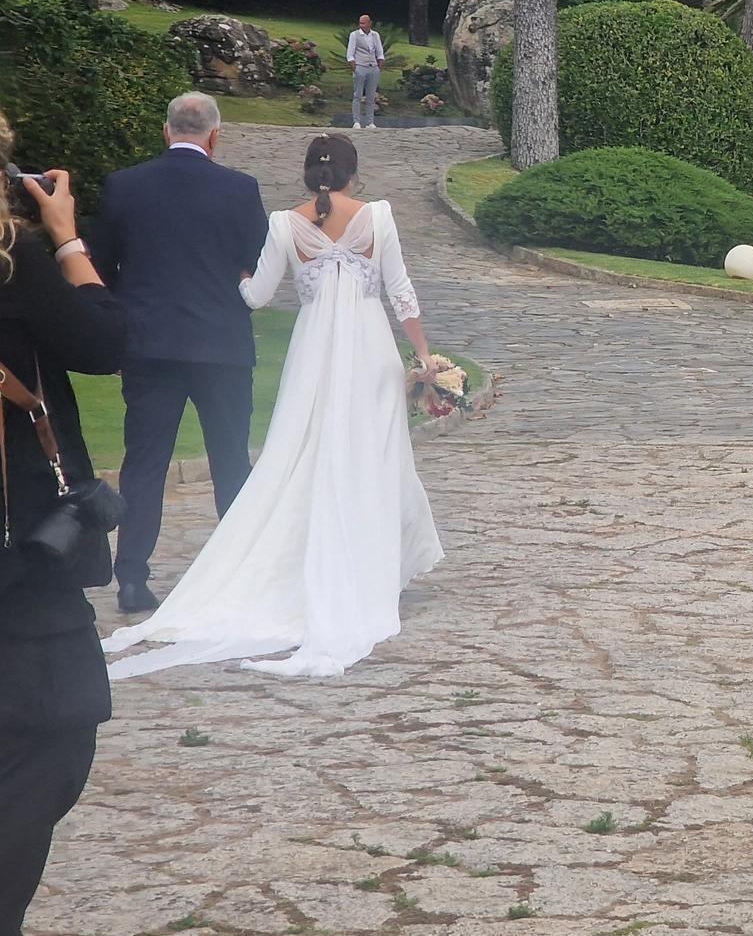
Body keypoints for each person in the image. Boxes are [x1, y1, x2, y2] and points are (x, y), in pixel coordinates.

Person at [102, 134, 443, 679]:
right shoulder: (378, 217)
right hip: (369, 351)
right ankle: (371, 569)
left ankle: (301, 563)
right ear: (355, 175)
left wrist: (235, 276)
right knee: (372, 457)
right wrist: (424, 356)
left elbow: (257, 296)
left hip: (314, 356)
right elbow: (401, 292)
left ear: (308, 176)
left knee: (304, 453)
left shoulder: (286, 225)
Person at [0, 134, 125, 935]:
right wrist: (67, 235)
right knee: (53, 736)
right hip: (22, 555)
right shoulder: (14, 267)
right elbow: (105, 344)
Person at [94, 92, 268, 614]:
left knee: (144, 463)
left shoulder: (125, 185)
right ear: (214, 136)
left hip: (150, 343)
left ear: (166, 131)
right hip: (221, 344)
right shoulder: (240, 188)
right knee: (231, 459)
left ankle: (131, 577)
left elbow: (102, 262)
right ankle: (242, 573)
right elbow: (257, 259)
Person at [346, 13, 387, 130]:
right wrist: (355, 68)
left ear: (370, 23)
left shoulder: (375, 35)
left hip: (373, 67)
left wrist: (379, 66)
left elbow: (379, 51)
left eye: (364, 23)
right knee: (357, 95)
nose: (362, 25)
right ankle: (356, 121)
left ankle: (370, 122)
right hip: (360, 66)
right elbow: (350, 54)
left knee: (370, 96)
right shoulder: (354, 35)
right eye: (360, 23)